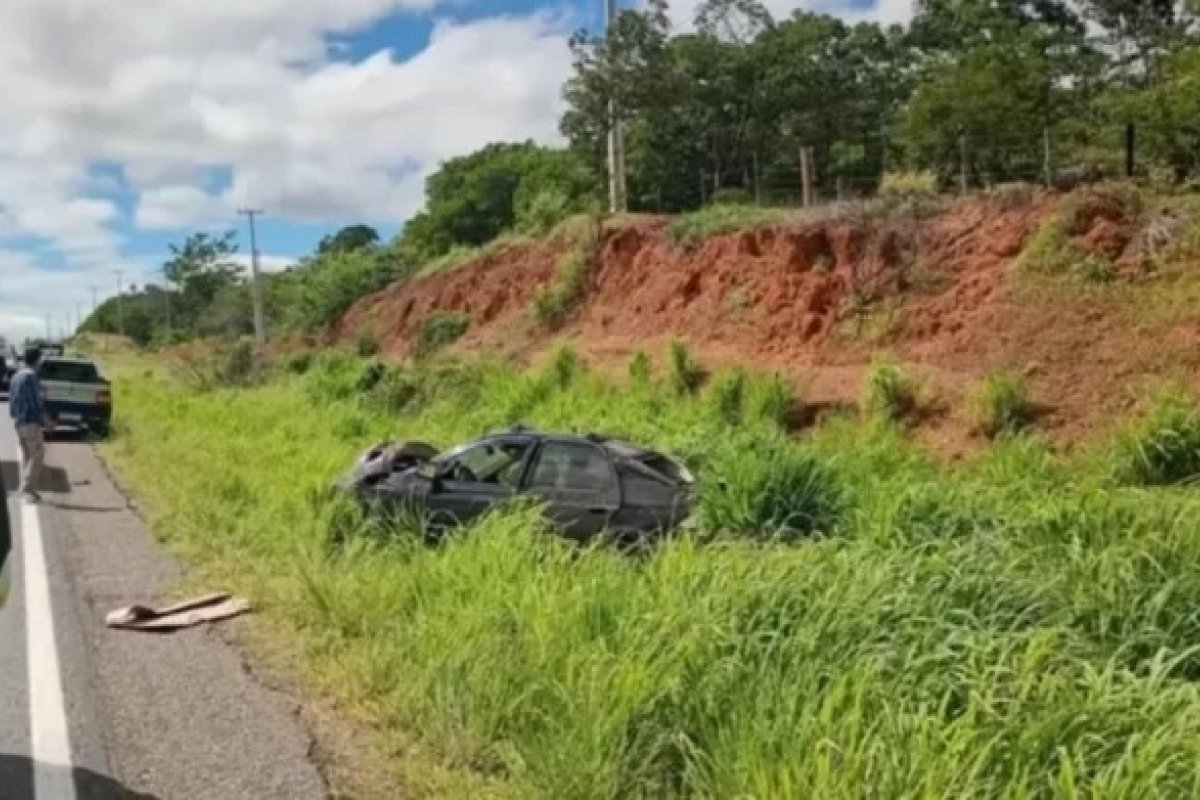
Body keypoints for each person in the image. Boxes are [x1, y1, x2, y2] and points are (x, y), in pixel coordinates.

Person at [8, 347, 51, 502]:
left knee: (27, 456)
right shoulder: (31, 376)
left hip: (19, 421)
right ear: (37, 359)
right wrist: (47, 421)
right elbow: (36, 403)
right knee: (37, 454)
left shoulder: (16, 376)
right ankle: (27, 489)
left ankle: (25, 489)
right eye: (41, 359)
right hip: (30, 421)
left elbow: (11, 401)